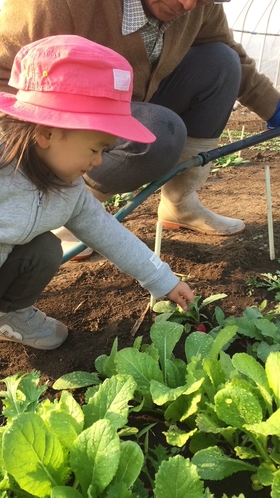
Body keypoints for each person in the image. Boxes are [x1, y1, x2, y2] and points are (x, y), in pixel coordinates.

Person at [0, 1, 280, 245]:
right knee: (157, 131)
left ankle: (180, 204)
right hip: (63, 118)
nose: (189, 5)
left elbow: (230, 53)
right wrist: (23, 156)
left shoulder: (198, 8)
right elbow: (4, 69)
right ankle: (65, 212)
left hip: (132, 102)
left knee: (221, 62)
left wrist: (274, 107)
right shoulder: (55, 3)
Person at [0, 34, 195, 350]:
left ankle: (11, 314)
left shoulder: (70, 191)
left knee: (46, 249)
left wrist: (164, 281)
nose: (99, 161)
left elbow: (110, 235)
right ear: (47, 133)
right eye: (95, 148)